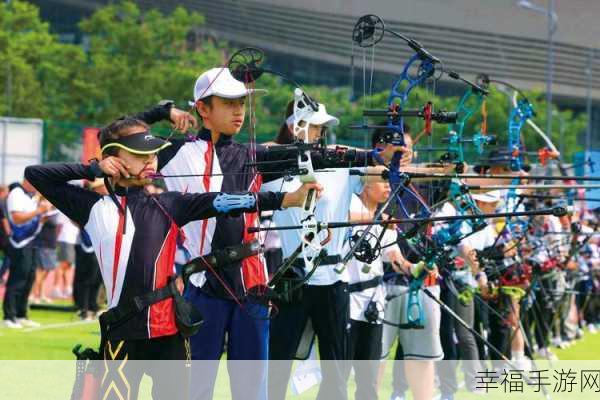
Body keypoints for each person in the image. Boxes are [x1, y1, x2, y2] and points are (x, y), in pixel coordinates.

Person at [133, 68, 400, 400]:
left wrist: (374, 156)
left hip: (252, 289)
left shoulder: (251, 156)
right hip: (203, 285)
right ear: (203, 108)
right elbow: (117, 137)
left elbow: (319, 154)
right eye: (228, 103)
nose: (238, 111)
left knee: (252, 391)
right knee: (194, 389)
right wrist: (162, 111)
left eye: (241, 103)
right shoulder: (173, 153)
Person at [25, 115, 316, 399]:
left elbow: (224, 201)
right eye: (140, 155)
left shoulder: (170, 204)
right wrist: (93, 170)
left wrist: (285, 199)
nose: (151, 160)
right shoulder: (93, 207)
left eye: (153, 153)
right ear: (113, 158)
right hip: (123, 330)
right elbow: (35, 174)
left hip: (171, 333)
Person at [2, 179, 48, 328]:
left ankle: (21, 314)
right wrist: (38, 211)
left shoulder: (30, 196)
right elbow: (17, 218)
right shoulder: (17, 193)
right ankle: (9, 316)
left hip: (32, 241)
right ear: (28, 181)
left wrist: (42, 218)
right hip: (20, 242)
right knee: (18, 278)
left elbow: (32, 218)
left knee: (29, 277)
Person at [30, 198, 59, 304]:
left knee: (46, 271)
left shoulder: (53, 212)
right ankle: (33, 295)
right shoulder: (43, 212)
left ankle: (41, 294)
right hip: (43, 244)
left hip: (51, 244)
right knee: (40, 271)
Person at [53, 210, 80, 299]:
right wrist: (57, 240)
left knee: (68, 265)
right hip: (65, 239)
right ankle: (56, 287)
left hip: (73, 239)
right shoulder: (62, 209)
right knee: (63, 264)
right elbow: (59, 226)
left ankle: (67, 287)